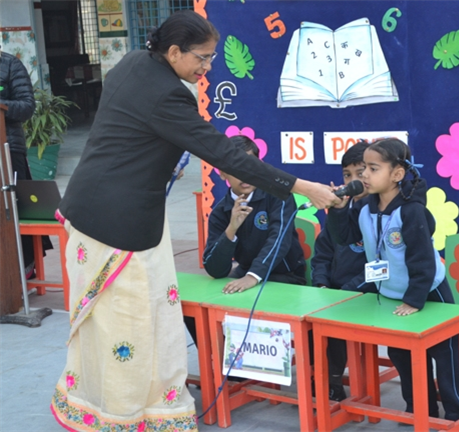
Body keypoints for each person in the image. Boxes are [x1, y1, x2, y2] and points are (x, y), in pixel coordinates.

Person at [50, 10, 339, 432]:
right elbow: (225, 154)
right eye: (202, 58)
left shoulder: (133, 63)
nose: (207, 67)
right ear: (173, 52)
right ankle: (123, 417)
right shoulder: (168, 95)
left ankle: (116, 405)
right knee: (130, 326)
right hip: (117, 225)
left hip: (92, 208)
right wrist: (302, 186)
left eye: (212, 58)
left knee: (126, 320)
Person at [327, 138, 459, 421]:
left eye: (372, 169)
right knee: (403, 353)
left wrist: (414, 300)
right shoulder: (365, 207)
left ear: (397, 174)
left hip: (428, 292)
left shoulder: (411, 210)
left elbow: (423, 260)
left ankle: (454, 412)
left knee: (444, 353)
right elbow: (344, 237)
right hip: (392, 294)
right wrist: (338, 210)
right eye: (362, 169)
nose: (364, 175)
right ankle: (419, 409)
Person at [184, 135, 306, 344]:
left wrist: (253, 276)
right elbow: (215, 269)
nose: (245, 174)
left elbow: (279, 240)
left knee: (247, 301)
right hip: (245, 273)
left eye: (249, 165)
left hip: (286, 276)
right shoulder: (221, 212)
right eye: (236, 168)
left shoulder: (279, 195)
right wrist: (231, 229)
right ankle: (218, 357)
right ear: (222, 172)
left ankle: (242, 357)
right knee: (193, 307)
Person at [310, 141, 376, 401]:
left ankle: (332, 380)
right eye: (348, 175)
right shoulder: (340, 211)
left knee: (333, 322)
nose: (354, 181)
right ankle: (320, 376)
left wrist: (345, 293)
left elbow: (380, 267)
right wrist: (321, 285)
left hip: (365, 292)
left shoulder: (379, 213)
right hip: (335, 292)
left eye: (362, 173)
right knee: (310, 320)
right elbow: (322, 254)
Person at [0, 45, 50, 277]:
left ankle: (22, 270)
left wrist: (2, 105)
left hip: (8, 150)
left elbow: (27, 106)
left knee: (14, 210)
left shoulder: (10, 64)